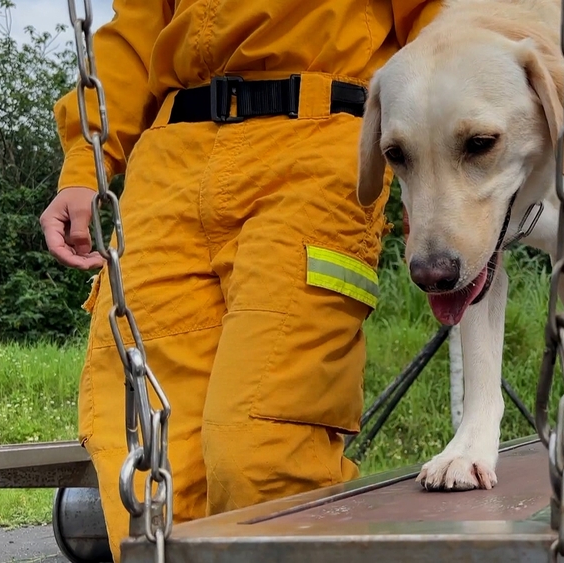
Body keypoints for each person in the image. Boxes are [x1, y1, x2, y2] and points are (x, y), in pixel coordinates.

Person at [39, 0, 441, 560]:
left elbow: (437, 23)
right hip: (170, 157)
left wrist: (436, 165)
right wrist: (87, 163)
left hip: (316, 142)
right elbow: (135, 32)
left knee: (262, 446)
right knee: (147, 460)